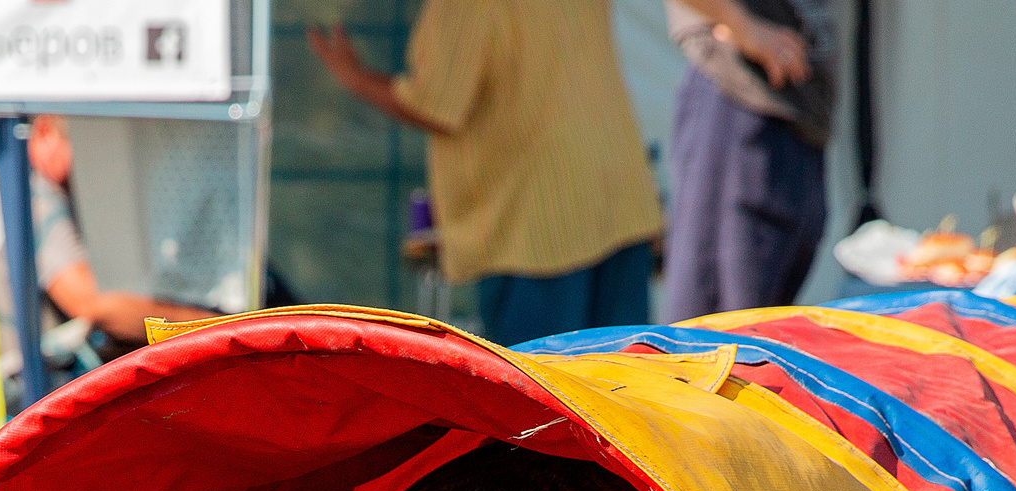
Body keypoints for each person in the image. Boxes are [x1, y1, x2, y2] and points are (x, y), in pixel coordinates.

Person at [308, 0, 662, 348]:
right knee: (621, 377)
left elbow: (436, 105)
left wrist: (355, 78)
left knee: (534, 382)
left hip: (534, 227)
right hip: (621, 200)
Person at [0, 116, 208, 388]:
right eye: (87, 147)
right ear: (45, 133)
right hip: (13, 388)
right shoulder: (28, 194)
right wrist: (199, 323)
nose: (99, 162)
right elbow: (89, 302)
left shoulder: (4, 185)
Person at [659, 0, 836, 318]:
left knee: (766, 329)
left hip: (798, 114)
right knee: (719, 329)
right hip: (738, 99)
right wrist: (742, 27)